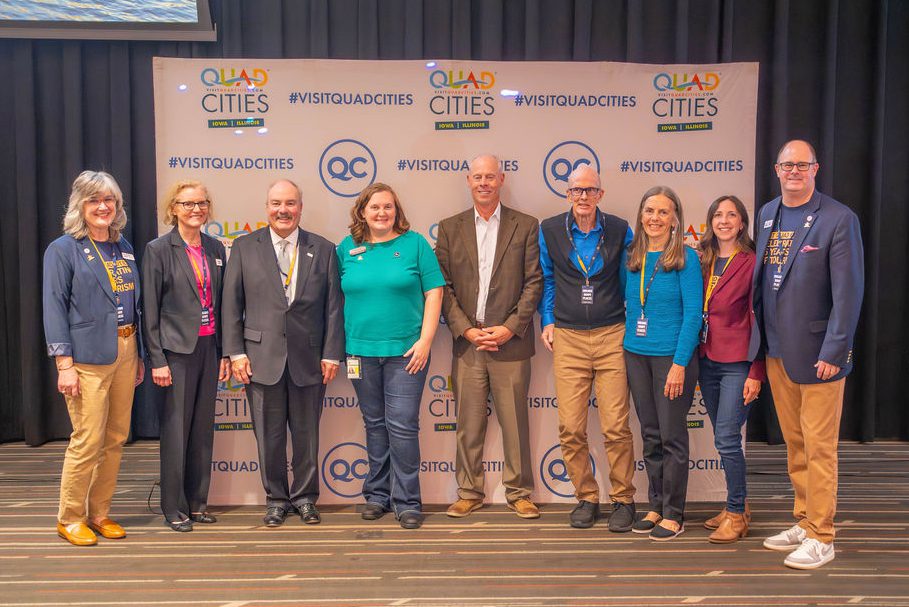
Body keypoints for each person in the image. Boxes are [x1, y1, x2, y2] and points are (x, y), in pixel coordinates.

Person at [755, 140, 864, 569]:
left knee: (820, 448)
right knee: (796, 444)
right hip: (776, 351)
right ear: (777, 170)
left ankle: (822, 534)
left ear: (816, 169)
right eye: (788, 165)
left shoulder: (839, 218)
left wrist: (835, 349)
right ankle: (804, 519)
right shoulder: (767, 213)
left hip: (820, 354)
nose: (795, 171)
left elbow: (848, 293)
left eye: (803, 165)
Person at [222, 179, 344, 528]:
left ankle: (305, 499)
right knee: (269, 436)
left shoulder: (323, 249)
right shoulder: (244, 247)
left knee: (307, 436)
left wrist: (331, 353)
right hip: (260, 360)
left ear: (300, 208)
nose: (283, 210)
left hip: (309, 359)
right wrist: (235, 353)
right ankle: (276, 499)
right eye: (276, 203)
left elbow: (333, 307)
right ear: (267, 208)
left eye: (290, 203)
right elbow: (231, 304)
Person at [436, 154, 543, 519]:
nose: (483, 183)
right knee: (468, 425)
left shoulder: (525, 225)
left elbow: (534, 282)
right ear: (468, 181)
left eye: (490, 177)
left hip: (510, 341)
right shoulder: (449, 228)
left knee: (515, 424)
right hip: (468, 343)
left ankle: (520, 492)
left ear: (501, 180)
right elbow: (443, 287)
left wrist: (510, 327)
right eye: (477, 177)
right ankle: (468, 492)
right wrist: (466, 329)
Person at [43, 170, 145, 546]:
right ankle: (70, 518)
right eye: (94, 200)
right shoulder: (63, 249)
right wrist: (64, 364)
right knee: (87, 439)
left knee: (115, 438)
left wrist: (138, 354)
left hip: (126, 349)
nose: (103, 207)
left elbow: (133, 302)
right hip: (86, 358)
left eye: (109, 200)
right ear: (80, 205)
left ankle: (99, 513)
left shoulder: (123, 246)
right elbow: (54, 308)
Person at [336, 183, 444, 530]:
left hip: (406, 353)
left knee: (402, 425)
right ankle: (377, 495)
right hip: (359, 352)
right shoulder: (346, 247)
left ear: (397, 211)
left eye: (388, 207)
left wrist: (426, 340)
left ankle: (408, 500)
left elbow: (434, 292)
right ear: (362, 212)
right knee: (375, 424)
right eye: (374, 207)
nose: (381, 213)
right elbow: (335, 298)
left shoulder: (415, 244)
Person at [538, 165, 637, 531]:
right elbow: (547, 278)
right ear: (568, 194)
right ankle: (586, 496)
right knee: (570, 427)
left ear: (600, 194)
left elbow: (630, 279)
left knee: (616, 426)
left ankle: (623, 498)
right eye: (577, 190)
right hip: (568, 336)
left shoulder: (619, 229)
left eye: (590, 190)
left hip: (612, 334)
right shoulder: (550, 229)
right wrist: (548, 319)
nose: (583, 196)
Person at [142, 180, 230, 532]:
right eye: (188, 204)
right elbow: (150, 310)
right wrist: (157, 359)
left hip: (209, 348)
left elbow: (222, 305)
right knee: (176, 431)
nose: (196, 209)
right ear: (174, 208)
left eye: (201, 203)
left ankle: (197, 502)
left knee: (202, 429)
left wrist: (225, 353)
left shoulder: (216, 248)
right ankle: (174, 507)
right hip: (175, 353)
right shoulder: (158, 250)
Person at [623, 185, 702, 541]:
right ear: (641, 216)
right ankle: (655, 505)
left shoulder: (686, 258)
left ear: (675, 219)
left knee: (671, 436)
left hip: (672, 357)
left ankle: (673, 513)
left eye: (663, 212)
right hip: (636, 354)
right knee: (651, 435)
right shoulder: (632, 257)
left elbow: (693, 316)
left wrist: (680, 363)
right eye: (649, 211)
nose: (655, 218)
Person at [696, 195, 765, 543]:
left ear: (742, 223)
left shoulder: (752, 262)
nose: (724, 221)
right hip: (706, 359)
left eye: (731, 215)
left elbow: (761, 319)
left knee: (726, 438)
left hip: (738, 362)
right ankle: (737, 505)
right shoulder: (703, 259)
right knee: (724, 437)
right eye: (718, 215)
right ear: (711, 221)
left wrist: (757, 371)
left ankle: (736, 515)